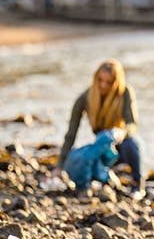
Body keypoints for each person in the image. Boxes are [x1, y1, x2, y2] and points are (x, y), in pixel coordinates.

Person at [54, 59, 143, 193]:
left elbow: (132, 125)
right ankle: (103, 178)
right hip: (102, 148)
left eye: (109, 82)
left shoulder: (125, 92)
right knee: (82, 158)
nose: (103, 85)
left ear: (116, 82)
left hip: (120, 146)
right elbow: (71, 134)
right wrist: (59, 166)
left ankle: (138, 185)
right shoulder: (85, 98)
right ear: (95, 78)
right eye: (100, 80)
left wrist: (121, 132)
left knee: (132, 143)